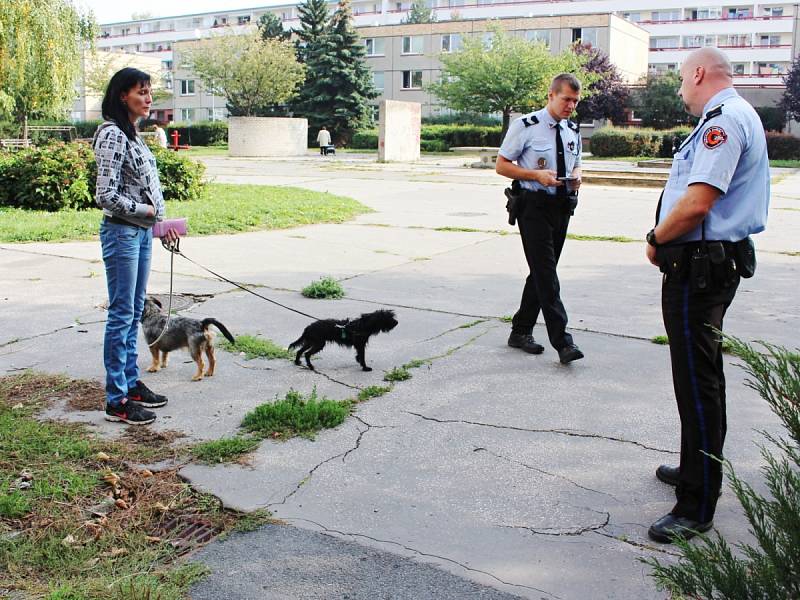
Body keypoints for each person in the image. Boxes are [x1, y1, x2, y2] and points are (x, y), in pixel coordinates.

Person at [644, 47, 769, 543]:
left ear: (698, 73)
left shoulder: (723, 121)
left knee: (697, 382)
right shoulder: (735, 115)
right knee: (699, 377)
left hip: (699, 270)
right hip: (706, 266)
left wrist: (656, 239)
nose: (680, 90)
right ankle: (695, 466)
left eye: (680, 80)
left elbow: (697, 203)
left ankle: (697, 504)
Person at [93, 67, 180, 425]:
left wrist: (160, 224)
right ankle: (117, 400)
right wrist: (145, 211)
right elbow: (105, 194)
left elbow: (142, 189)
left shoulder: (134, 135)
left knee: (132, 313)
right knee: (121, 316)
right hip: (122, 233)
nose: (148, 98)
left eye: (149, 92)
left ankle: (130, 383)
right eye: (141, 92)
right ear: (122, 96)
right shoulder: (112, 134)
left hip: (141, 233)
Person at [496, 73, 585, 365]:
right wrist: (535, 175)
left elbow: (578, 163)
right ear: (550, 96)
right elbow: (502, 165)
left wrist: (576, 177)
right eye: (566, 99)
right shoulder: (526, 126)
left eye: (575, 100)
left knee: (541, 272)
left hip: (561, 207)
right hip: (532, 206)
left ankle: (520, 331)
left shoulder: (573, 129)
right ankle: (563, 342)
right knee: (547, 274)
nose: (571, 105)